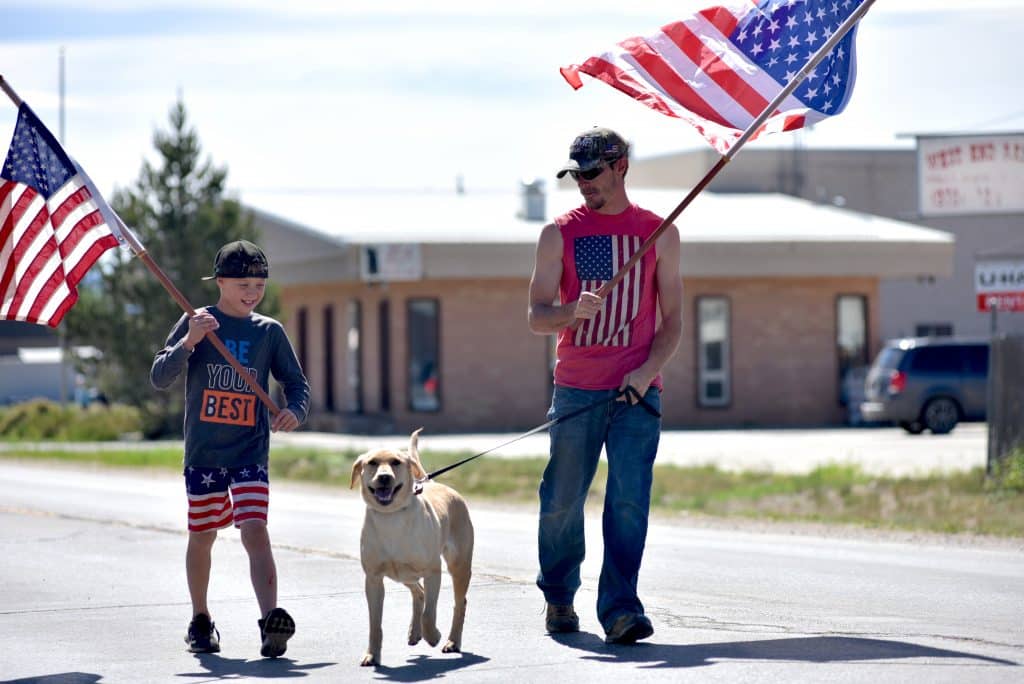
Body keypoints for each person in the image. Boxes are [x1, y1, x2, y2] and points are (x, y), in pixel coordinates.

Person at [527, 127, 682, 645]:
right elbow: (536, 316)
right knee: (562, 498)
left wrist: (644, 373)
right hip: (576, 387)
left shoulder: (659, 233)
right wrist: (571, 312)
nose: (582, 184)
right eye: (576, 174)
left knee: (628, 500)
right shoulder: (558, 233)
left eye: (591, 173)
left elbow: (674, 322)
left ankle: (620, 608)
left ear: (621, 167)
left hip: (638, 390)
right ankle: (559, 595)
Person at [151, 240, 310, 658]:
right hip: (205, 455)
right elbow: (159, 376)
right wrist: (189, 340)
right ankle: (200, 620)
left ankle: (270, 621)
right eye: (243, 283)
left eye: (259, 284)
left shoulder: (269, 332)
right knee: (203, 534)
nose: (252, 291)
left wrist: (295, 410)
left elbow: (297, 385)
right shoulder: (197, 322)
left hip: (249, 453)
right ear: (220, 282)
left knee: (255, 531)